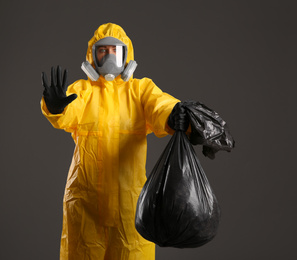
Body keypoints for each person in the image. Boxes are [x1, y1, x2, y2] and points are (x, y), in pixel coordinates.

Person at [40, 23, 189, 260]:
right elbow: (67, 113)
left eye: (115, 50)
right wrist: (56, 107)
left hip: (128, 210)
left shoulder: (140, 91)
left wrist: (172, 114)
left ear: (127, 55)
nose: (109, 56)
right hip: (85, 206)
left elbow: (159, 105)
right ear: (92, 56)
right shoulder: (83, 91)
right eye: (102, 51)